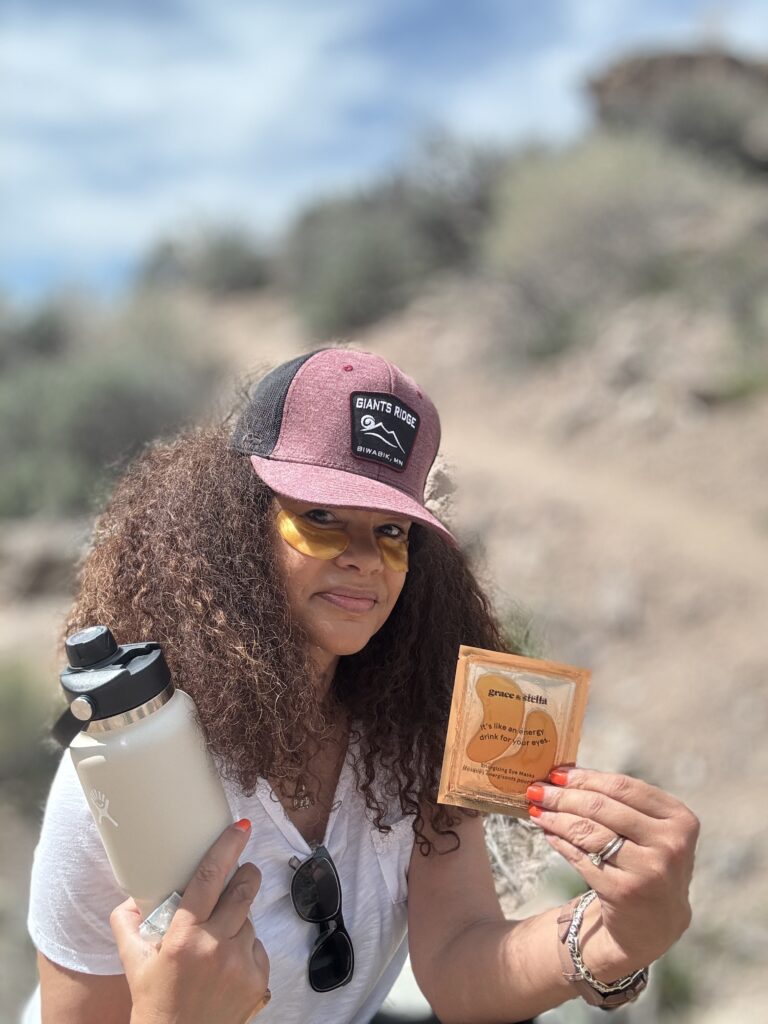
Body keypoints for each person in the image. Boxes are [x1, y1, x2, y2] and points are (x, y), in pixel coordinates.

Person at [25, 347, 699, 1024]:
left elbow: (460, 958)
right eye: (320, 517)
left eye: (391, 530)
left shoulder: (419, 724)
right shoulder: (114, 787)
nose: (363, 558)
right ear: (235, 526)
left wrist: (616, 936)